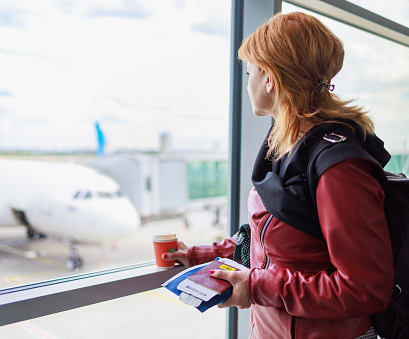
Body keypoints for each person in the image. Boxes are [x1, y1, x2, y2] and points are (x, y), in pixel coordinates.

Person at [163, 12, 394, 339]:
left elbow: (365, 289)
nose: (247, 83)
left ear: (269, 78)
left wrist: (257, 287)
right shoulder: (289, 149)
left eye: (249, 72)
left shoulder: (339, 168)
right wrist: (199, 256)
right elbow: (274, 243)